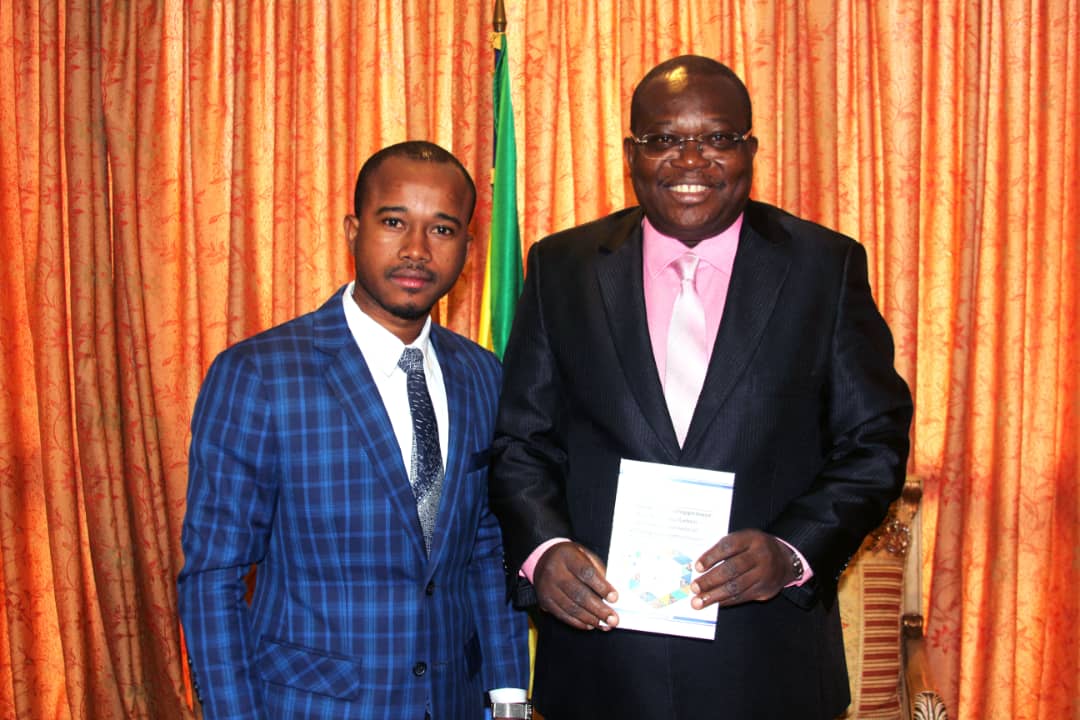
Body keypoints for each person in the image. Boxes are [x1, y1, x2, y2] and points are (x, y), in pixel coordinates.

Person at [489, 56, 913, 719]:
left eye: (716, 137)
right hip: (602, 664)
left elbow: (874, 443)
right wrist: (543, 552)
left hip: (767, 662)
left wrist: (791, 551)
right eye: (663, 139)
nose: (690, 160)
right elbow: (522, 442)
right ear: (631, 153)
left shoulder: (824, 267)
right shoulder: (561, 267)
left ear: (750, 149)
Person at [178, 141, 529, 720]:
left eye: (442, 230)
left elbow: (487, 550)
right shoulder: (259, 373)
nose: (416, 250)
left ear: (468, 248)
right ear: (352, 230)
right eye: (394, 222)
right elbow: (215, 577)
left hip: (456, 702)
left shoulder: (482, 374)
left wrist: (510, 699)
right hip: (312, 706)